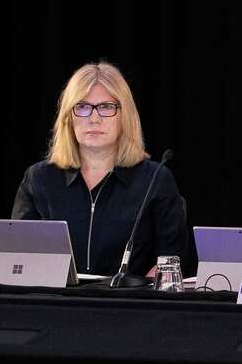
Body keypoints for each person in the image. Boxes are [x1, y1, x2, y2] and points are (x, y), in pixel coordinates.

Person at [12, 62, 186, 277]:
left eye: (106, 107)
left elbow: (171, 260)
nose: (94, 118)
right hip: (55, 303)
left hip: (128, 305)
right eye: (83, 107)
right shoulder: (39, 179)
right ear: (69, 117)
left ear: (125, 116)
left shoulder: (155, 179)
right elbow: (16, 256)